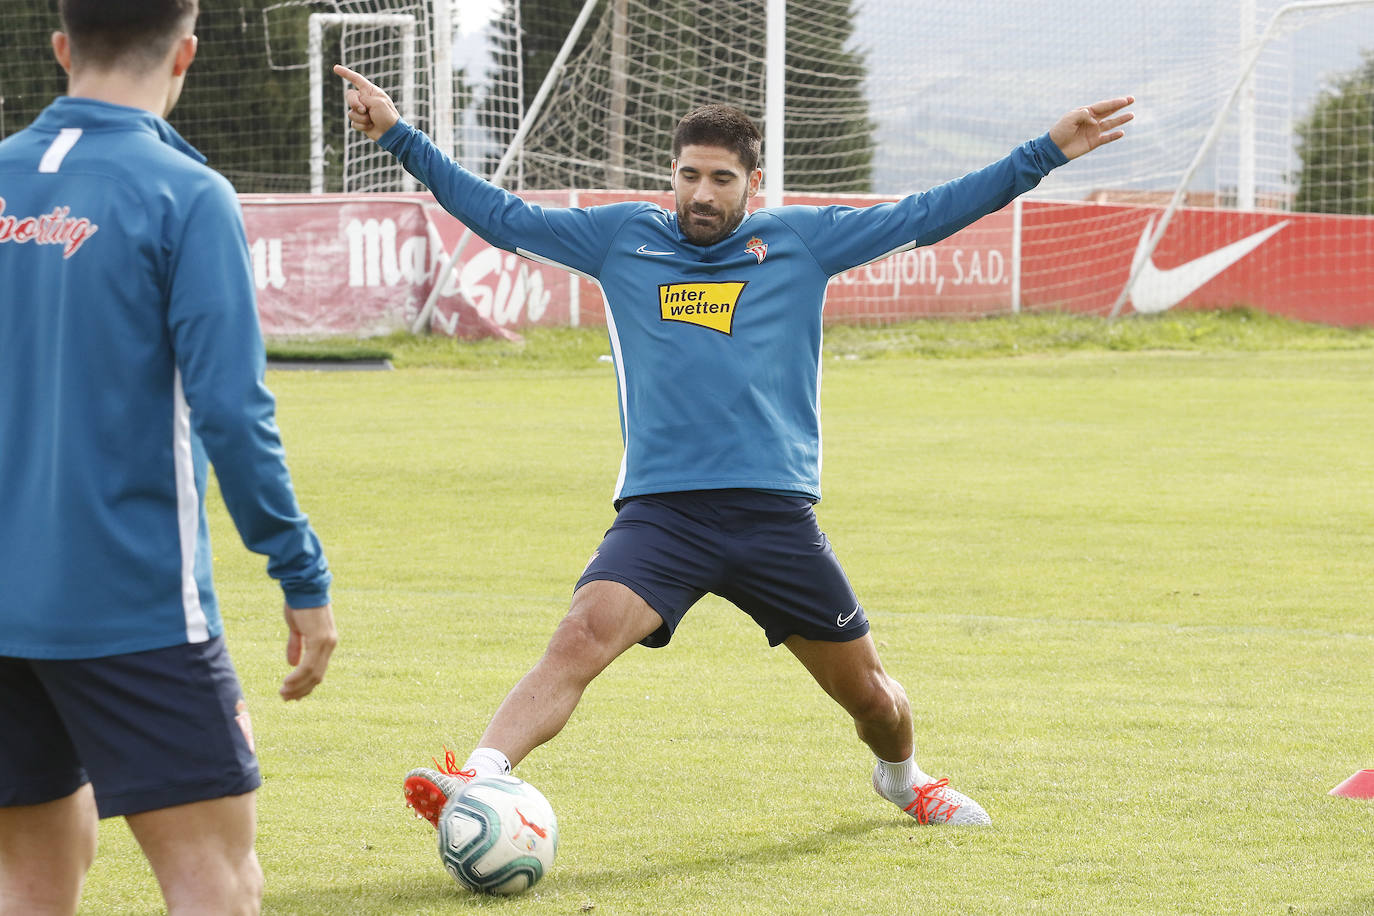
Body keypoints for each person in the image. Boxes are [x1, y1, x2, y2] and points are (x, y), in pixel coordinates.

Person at [334, 63, 1130, 832]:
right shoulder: (622, 239)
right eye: (688, 176)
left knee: (876, 702)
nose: (701, 193)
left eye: (720, 179)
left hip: (774, 519)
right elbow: (504, 218)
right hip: (662, 515)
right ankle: (476, 780)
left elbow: (927, 215)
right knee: (578, 636)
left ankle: (904, 779)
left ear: (753, 183)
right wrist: (401, 136)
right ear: (670, 176)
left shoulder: (802, 241)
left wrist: (1045, 153)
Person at [0, 3, 338, 914]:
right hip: (133, 607)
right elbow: (232, 411)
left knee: (30, 880)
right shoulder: (184, 193)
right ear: (187, 52)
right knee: (216, 882)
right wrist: (300, 573)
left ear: (62, 46)